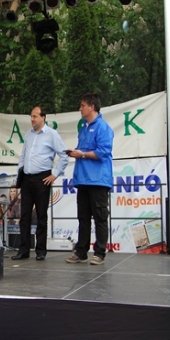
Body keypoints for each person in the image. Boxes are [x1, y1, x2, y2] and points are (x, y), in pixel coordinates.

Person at [12, 106, 69, 261]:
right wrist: (19, 173)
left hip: (42, 178)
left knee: (41, 215)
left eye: (35, 116)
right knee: (24, 216)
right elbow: (23, 155)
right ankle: (23, 250)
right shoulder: (28, 134)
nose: (32, 119)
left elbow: (64, 155)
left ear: (43, 117)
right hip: (27, 178)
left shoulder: (52, 134)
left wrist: (54, 175)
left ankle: (41, 250)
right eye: (31, 116)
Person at [65, 93, 114, 266]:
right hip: (83, 179)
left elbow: (103, 152)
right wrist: (75, 153)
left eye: (82, 105)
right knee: (83, 218)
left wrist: (83, 154)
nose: (80, 109)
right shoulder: (83, 128)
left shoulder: (103, 127)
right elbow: (83, 151)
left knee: (100, 218)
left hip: (98, 180)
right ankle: (81, 252)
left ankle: (99, 253)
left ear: (91, 107)